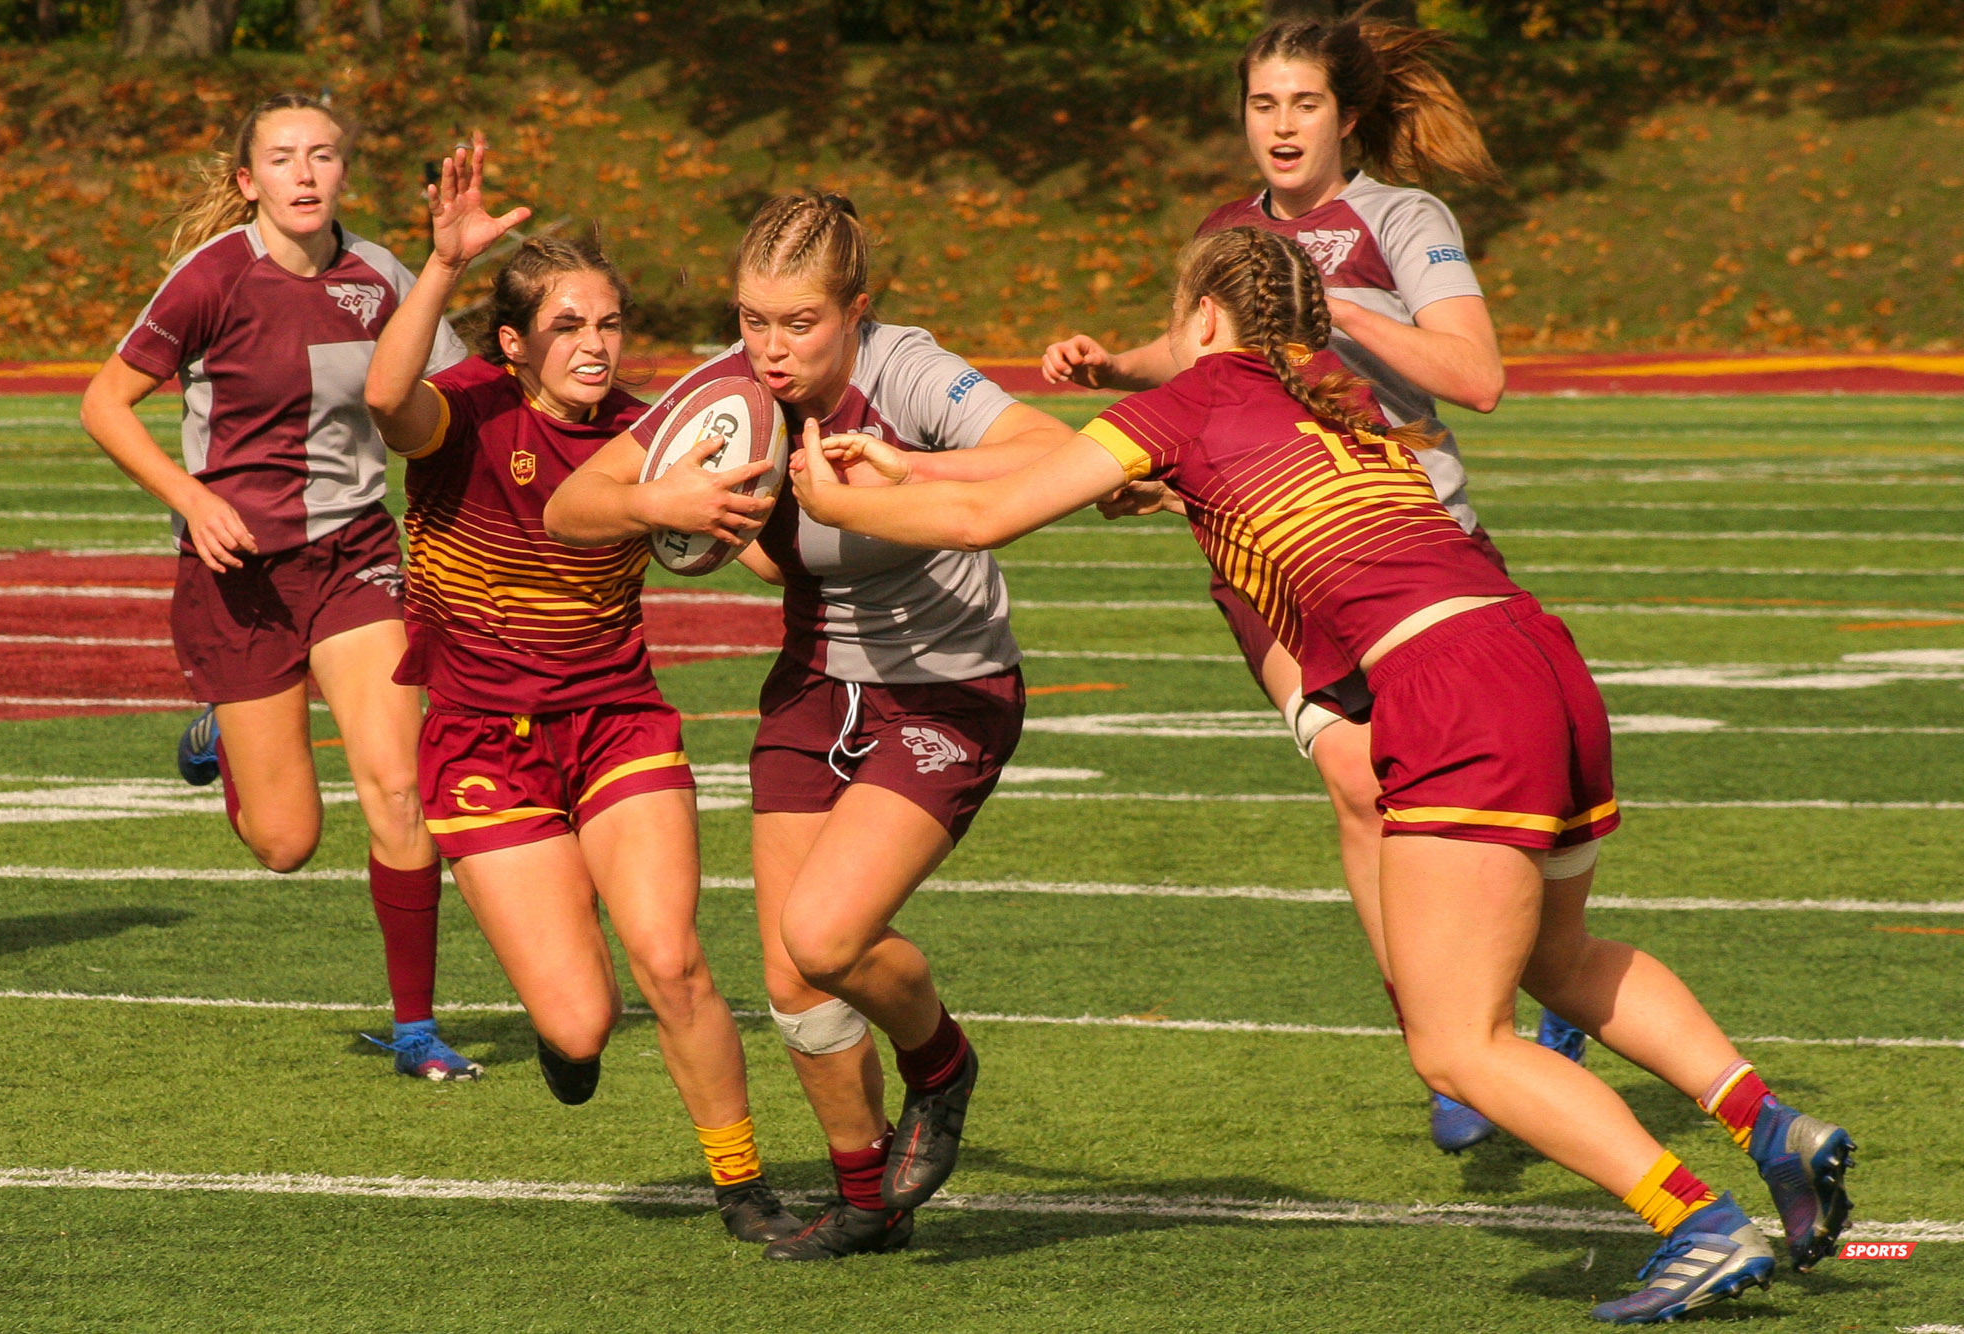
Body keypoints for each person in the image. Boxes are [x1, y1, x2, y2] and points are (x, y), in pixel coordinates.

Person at [794, 226, 1855, 1323]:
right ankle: (1769, 1122)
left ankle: (1692, 1218)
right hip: (1537, 653)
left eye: (1174, 322)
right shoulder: (1338, 400)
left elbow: (985, 516)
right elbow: (1203, 489)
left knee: (1457, 1045)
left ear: (1203, 320)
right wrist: (913, 466)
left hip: (1448, 690)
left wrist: (837, 505)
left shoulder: (1194, 395)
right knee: (1557, 955)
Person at [1039, 14, 1580, 1152]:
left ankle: (1516, 999)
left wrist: (1336, 306)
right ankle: (1439, 1043)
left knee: (1442, 805)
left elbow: (1475, 375)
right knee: (1352, 785)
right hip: (1274, 568)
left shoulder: (1401, 219)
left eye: (1302, 104)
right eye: (1261, 104)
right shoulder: (1225, 229)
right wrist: (1116, 366)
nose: (1280, 126)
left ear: (1344, 116)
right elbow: (1198, 355)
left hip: (1408, 550)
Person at [547, 191, 1074, 1260]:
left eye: (800, 323)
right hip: (811, 683)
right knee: (793, 982)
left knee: (827, 933)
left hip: (946, 683)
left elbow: (1052, 447)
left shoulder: (909, 371)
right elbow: (570, 505)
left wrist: (900, 472)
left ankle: (939, 1064)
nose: (770, 350)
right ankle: (867, 1196)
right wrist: (663, 505)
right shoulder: (730, 387)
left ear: (857, 312)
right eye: (751, 319)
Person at [362, 137, 798, 1242]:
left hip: (615, 722)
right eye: (566, 326)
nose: (594, 345)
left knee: (672, 955)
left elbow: (759, 551)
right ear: (512, 344)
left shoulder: (655, 438)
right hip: (477, 740)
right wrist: (444, 264)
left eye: (607, 324)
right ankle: (568, 1034)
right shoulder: (463, 410)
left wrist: (820, 524)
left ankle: (741, 1182)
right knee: (583, 1017)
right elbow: (380, 395)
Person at [80, 91, 478, 1081]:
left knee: (398, 787)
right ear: (246, 179)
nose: (306, 174)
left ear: (346, 172)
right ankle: (224, 730)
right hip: (235, 576)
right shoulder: (209, 278)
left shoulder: (381, 273)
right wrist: (189, 494)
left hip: (353, 556)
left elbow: (464, 396)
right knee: (287, 842)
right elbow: (104, 400)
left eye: (325, 155)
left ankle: (416, 1030)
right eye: (284, 158)